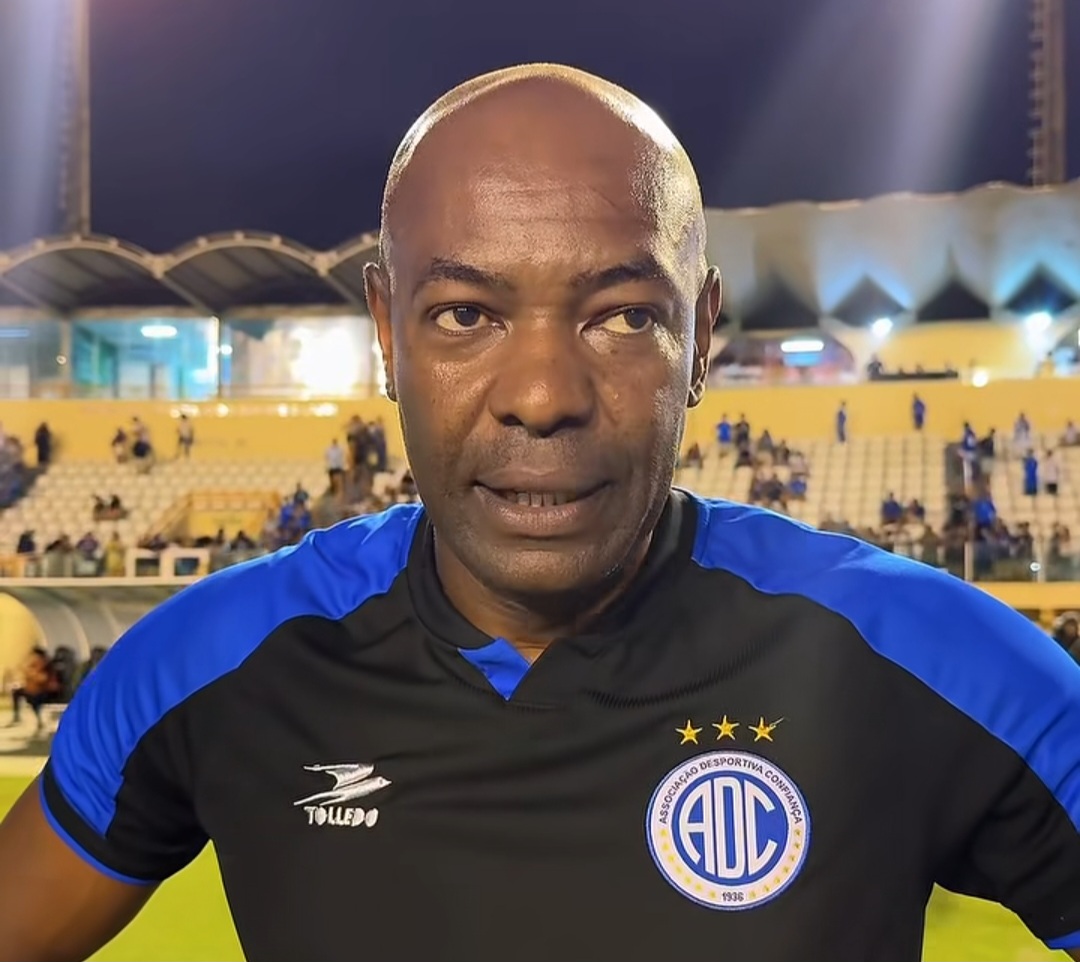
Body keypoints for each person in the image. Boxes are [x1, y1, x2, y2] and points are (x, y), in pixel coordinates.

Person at [0, 65, 1078, 962]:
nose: (544, 394)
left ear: (702, 339)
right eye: (464, 313)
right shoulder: (206, 666)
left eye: (624, 317)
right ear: (386, 330)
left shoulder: (925, 657)